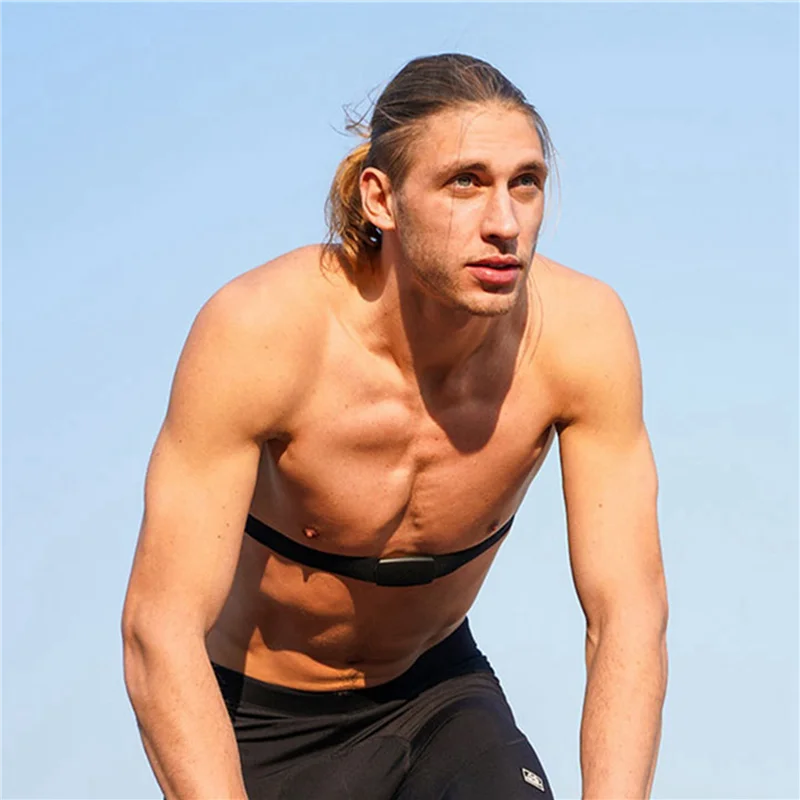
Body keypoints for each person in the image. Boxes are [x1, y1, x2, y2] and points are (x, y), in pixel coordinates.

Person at [122, 53, 668, 799]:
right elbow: (159, 628)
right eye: (465, 182)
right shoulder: (260, 334)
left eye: (525, 182)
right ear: (380, 198)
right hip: (258, 721)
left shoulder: (581, 336)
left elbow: (628, 613)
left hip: (434, 698)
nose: (505, 223)